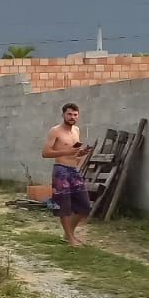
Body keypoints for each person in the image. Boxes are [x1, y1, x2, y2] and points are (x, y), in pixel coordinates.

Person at [42, 102, 93, 245]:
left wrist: (80, 153)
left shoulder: (76, 130)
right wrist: (67, 151)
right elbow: (45, 153)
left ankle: (68, 233)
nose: (72, 117)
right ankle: (70, 238)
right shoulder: (55, 131)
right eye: (69, 114)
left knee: (85, 206)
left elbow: (74, 153)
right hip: (61, 170)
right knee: (63, 206)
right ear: (63, 114)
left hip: (74, 170)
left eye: (75, 115)